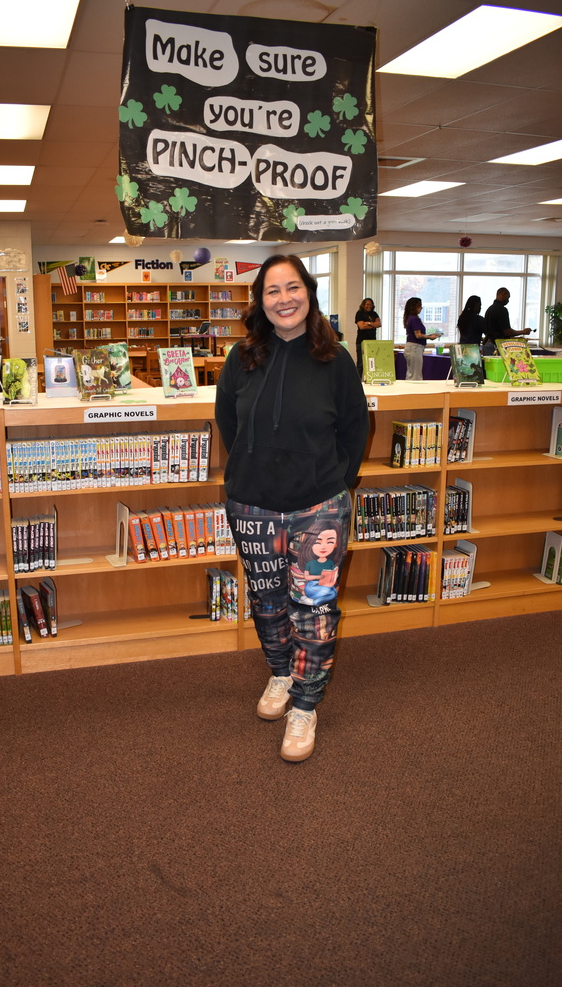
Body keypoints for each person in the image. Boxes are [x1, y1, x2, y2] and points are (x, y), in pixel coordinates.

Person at [215, 255, 369, 763]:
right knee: (268, 604)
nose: (284, 299)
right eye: (272, 290)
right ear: (260, 300)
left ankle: (306, 704)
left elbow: (353, 429)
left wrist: (336, 485)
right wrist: (250, 475)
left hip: (318, 508)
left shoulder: (335, 358)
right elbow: (229, 426)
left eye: (293, 287)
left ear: (309, 292)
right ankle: (281, 674)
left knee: (315, 610)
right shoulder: (242, 357)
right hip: (252, 506)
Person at [483, 287, 531, 355]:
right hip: (497, 346)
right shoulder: (502, 310)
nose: (508, 300)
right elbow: (507, 332)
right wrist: (523, 331)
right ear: (503, 294)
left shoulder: (489, 309)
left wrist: (514, 338)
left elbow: (496, 331)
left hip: (487, 344)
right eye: (508, 297)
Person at [403, 297, 440, 380]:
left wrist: (429, 336)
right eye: (419, 306)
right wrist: (430, 337)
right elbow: (418, 335)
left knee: (411, 373)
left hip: (411, 347)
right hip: (415, 347)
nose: (421, 308)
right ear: (414, 307)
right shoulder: (414, 319)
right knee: (415, 375)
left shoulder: (409, 318)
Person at [354, 297, 381, 375]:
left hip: (372, 341)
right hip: (361, 342)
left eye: (371, 304)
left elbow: (379, 324)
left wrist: (368, 323)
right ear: (363, 305)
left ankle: (370, 379)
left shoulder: (374, 313)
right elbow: (361, 326)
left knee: (371, 362)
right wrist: (373, 325)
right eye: (367, 304)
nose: (369, 306)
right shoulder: (359, 313)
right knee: (361, 363)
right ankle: (358, 380)